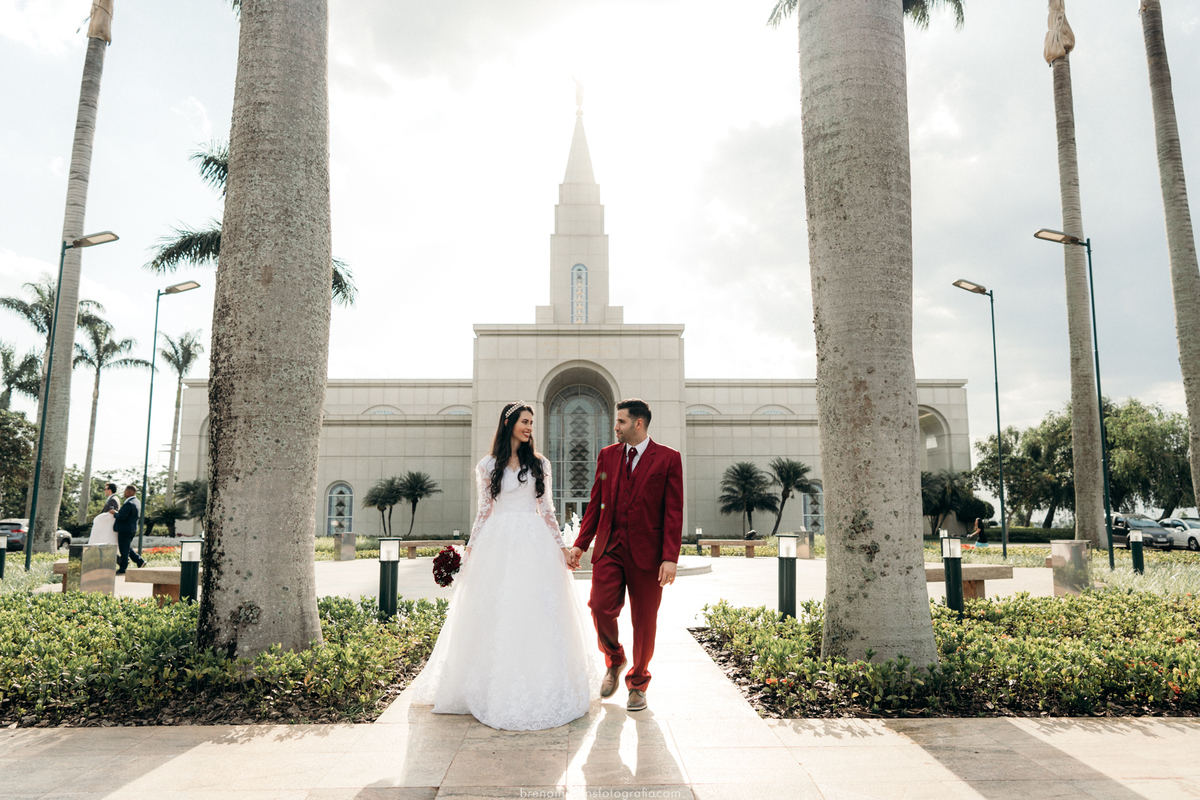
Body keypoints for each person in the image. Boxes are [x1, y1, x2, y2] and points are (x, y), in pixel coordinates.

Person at [408, 402, 600, 730]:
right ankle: (489, 685)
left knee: (534, 609)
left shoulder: (540, 463)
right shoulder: (487, 465)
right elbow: (484, 511)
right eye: (525, 421)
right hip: (497, 542)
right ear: (509, 423)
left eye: (531, 423)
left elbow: (547, 510)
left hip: (534, 541)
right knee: (496, 609)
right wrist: (469, 551)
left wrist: (562, 548)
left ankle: (543, 682)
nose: (529, 428)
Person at [569, 398, 683, 712]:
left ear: (638, 423)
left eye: (621, 421)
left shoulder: (669, 458)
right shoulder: (607, 455)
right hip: (610, 547)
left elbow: (673, 511)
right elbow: (597, 502)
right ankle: (615, 658)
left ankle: (638, 683)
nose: (615, 427)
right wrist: (581, 543)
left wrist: (670, 557)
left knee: (644, 621)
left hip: (649, 554)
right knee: (599, 606)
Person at [112, 485, 146, 574]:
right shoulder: (137, 501)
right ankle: (139, 561)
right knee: (126, 547)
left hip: (125, 529)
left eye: (125, 491)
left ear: (130, 492)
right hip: (131, 529)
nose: (124, 493)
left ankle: (123, 568)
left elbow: (122, 517)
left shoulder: (129, 503)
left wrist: (114, 513)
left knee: (124, 550)